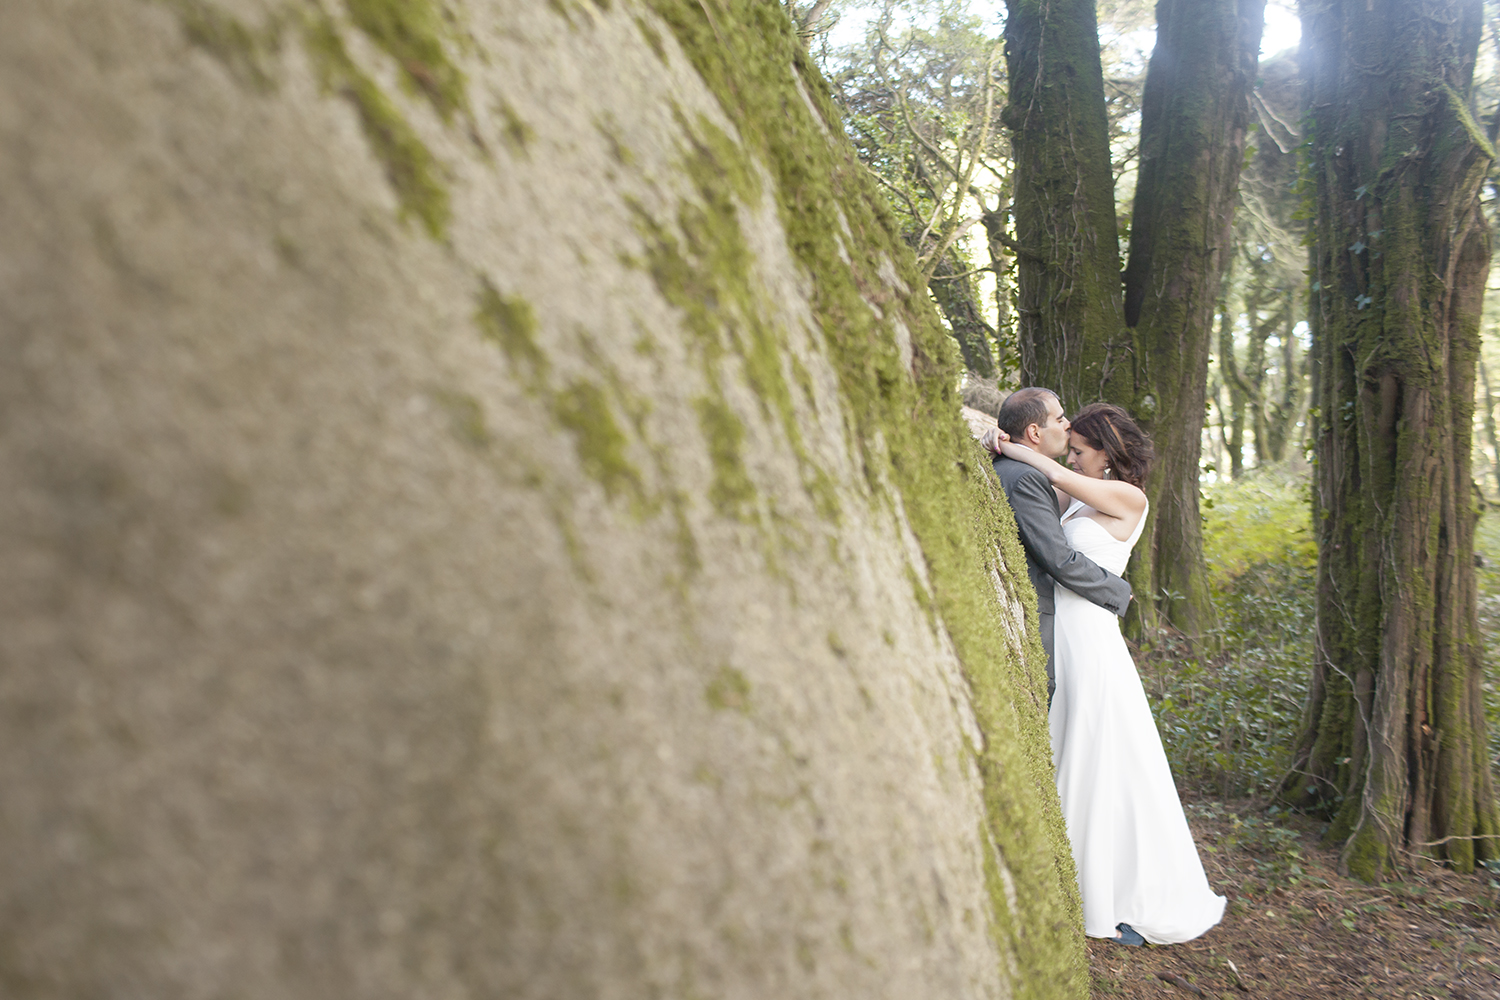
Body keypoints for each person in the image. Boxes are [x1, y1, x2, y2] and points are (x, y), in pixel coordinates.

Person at [993, 402, 1225, 947]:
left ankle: (1113, 891)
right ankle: (1066, 874)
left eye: (1079, 449)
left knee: (1097, 751)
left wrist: (1006, 443)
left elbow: (1049, 471)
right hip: (1062, 633)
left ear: (1105, 452)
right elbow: (1044, 506)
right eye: (1069, 448)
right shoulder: (1078, 491)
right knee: (1069, 746)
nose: (1070, 456)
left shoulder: (1128, 497)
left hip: (1093, 639)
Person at [984, 388, 1131, 700]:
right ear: (1035, 432)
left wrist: (1002, 442)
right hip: (1054, 616)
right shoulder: (1027, 478)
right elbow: (1058, 557)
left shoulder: (1037, 476)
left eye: (1080, 452)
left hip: (1080, 618)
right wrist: (1118, 591)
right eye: (1061, 418)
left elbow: (1058, 478)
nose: (1068, 425)